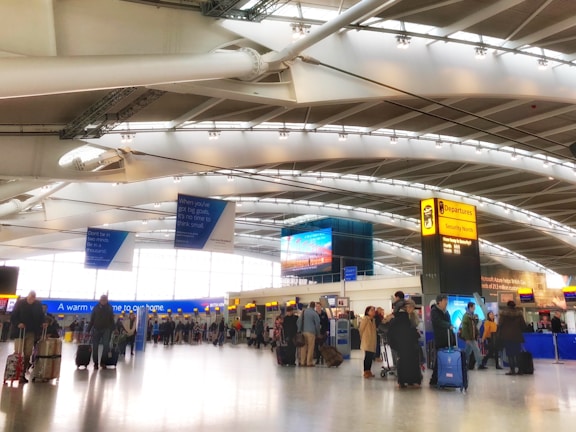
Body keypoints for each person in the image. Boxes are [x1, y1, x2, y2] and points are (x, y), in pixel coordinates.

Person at [10, 291, 46, 383]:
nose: (31, 300)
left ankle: (22, 373)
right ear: (27, 296)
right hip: (19, 332)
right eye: (30, 298)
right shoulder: (20, 303)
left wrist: (43, 322)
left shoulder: (37, 305)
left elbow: (41, 316)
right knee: (18, 352)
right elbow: (13, 316)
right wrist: (18, 323)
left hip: (31, 331)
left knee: (28, 353)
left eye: (33, 298)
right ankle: (15, 372)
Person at [388, 299, 422, 387]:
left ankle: (405, 380)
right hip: (406, 344)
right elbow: (406, 331)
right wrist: (415, 333)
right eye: (411, 307)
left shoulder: (400, 316)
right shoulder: (404, 317)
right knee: (407, 362)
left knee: (404, 362)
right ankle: (408, 380)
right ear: (407, 307)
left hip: (403, 344)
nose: (412, 309)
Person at [429, 294, 455, 386]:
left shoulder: (446, 312)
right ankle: (434, 380)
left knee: (447, 360)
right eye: (445, 301)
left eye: (447, 301)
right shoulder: (434, 311)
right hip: (440, 339)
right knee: (439, 360)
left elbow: (449, 323)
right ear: (439, 302)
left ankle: (446, 379)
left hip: (448, 339)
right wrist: (448, 325)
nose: (446, 303)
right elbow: (438, 322)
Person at [498, 301, 527, 376]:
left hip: (507, 336)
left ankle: (512, 370)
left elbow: (500, 324)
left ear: (507, 305)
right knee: (517, 353)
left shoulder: (503, 314)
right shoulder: (519, 314)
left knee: (510, 354)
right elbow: (523, 326)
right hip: (517, 336)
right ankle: (520, 370)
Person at [86, 294, 115, 370]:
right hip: (96, 329)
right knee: (95, 347)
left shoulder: (110, 308)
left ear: (107, 300)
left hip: (106, 329)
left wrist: (114, 329)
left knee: (106, 346)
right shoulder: (96, 308)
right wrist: (88, 330)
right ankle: (95, 363)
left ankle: (103, 362)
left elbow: (112, 320)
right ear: (100, 300)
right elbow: (92, 319)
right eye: (102, 300)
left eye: (105, 300)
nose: (103, 301)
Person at [461, 302, 486, 370]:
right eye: (474, 307)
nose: (474, 308)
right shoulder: (466, 316)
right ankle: (480, 364)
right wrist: (467, 338)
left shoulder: (471, 316)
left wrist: (477, 334)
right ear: (470, 307)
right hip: (470, 338)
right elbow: (464, 328)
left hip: (472, 337)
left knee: (467, 351)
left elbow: (474, 327)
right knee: (477, 350)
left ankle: (464, 363)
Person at [296, 302, 321, 367]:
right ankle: (309, 362)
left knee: (303, 347)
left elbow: (299, 321)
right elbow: (317, 324)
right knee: (310, 348)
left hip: (303, 332)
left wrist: (299, 330)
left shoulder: (304, 312)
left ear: (309, 305)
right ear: (314, 306)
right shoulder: (314, 313)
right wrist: (318, 333)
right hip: (311, 333)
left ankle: (302, 362)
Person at [359, 306, 377, 378]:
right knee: (367, 356)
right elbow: (361, 329)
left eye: (374, 310)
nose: (373, 311)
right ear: (367, 312)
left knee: (370, 356)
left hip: (372, 340)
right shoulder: (365, 319)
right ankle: (365, 371)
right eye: (371, 310)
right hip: (367, 340)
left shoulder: (373, 320)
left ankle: (369, 371)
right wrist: (363, 338)